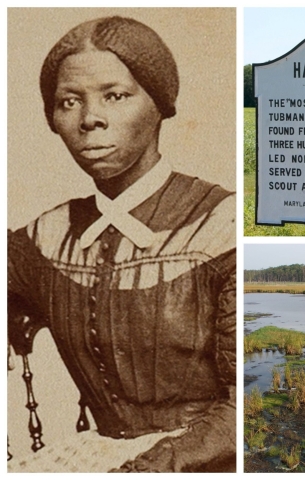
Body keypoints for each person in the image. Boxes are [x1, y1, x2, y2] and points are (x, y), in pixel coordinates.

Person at [8, 14, 235, 473]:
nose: (91, 119)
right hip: (103, 453)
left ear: (159, 104)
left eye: (115, 96)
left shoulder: (223, 226)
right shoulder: (40, 240)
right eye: (68, 102)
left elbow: (249, 409)